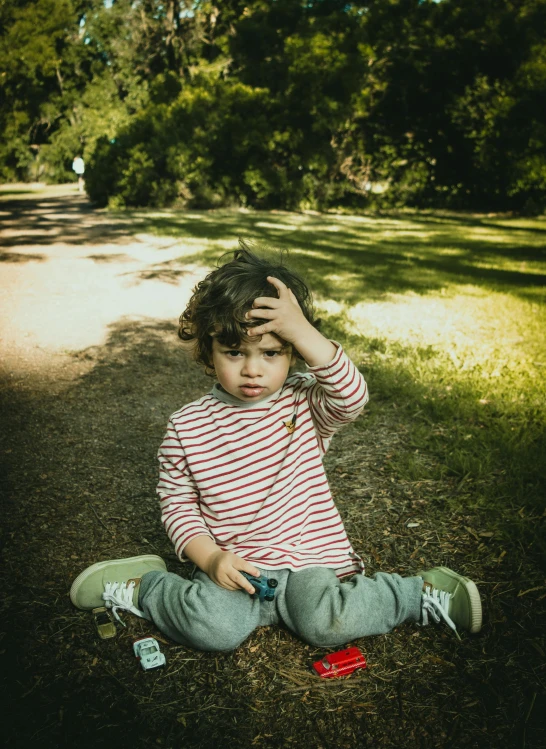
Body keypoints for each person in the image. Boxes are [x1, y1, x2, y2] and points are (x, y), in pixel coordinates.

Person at [70, 244, 482, 651]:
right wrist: (212, 560)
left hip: (307, 558)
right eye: (234, 352)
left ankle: (418, 593)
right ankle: (146, 587)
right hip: (234, 563)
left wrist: (302, 330)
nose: (252, 368)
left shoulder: (304, 401)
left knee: (328, 623)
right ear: (207, 350)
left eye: (271, 352)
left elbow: (353, 397)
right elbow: (177, 505)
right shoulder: (187, 425)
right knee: (212, 630)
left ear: (292, 352)